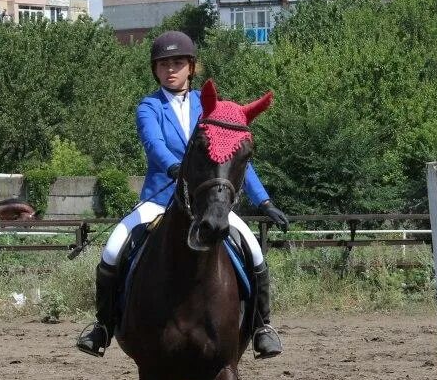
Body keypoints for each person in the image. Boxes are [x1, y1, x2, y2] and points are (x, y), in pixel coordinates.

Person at [76, 30, 290, 360]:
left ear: (191, 67)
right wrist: (176, 168)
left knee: (253, 250)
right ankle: (102, 326)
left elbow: (232, 157)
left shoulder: (211, 107)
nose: (170, 69)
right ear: (155, 70)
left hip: (208, 203)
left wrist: (264, 201)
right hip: (160, 200)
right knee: (113, 247)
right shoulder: (149, 106)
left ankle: (262, 326)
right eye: (163, 64)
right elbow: (153, 144)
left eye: (178, 63)